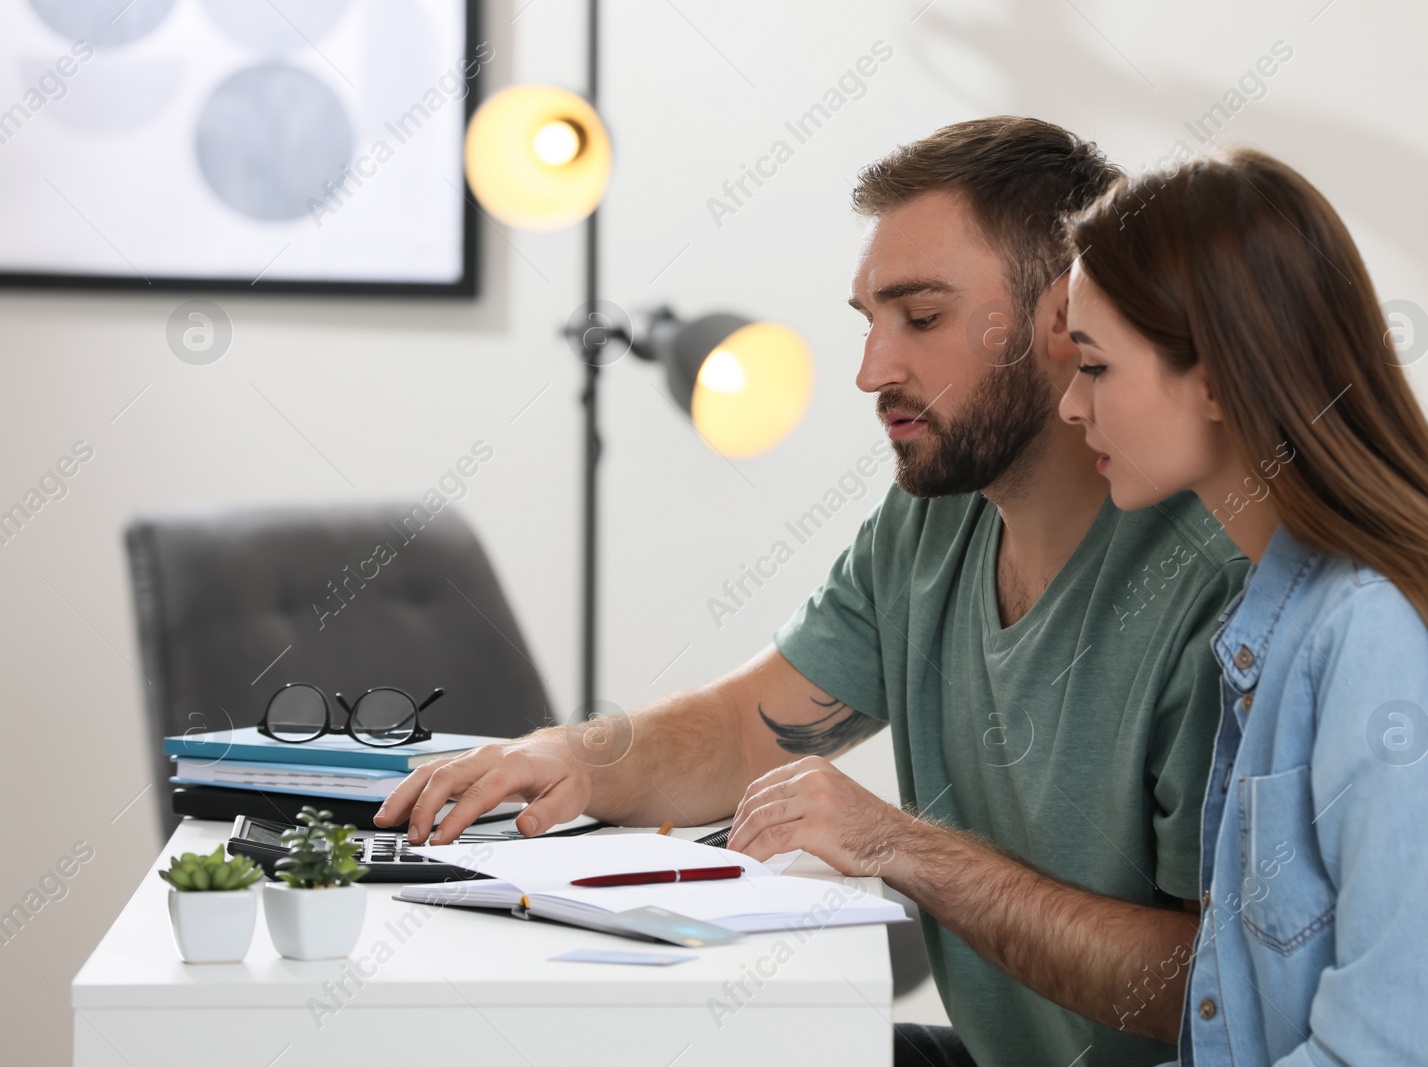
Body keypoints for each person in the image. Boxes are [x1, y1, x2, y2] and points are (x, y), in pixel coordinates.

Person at [378, 117, 1249, 1067]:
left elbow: (1204, 988)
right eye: (868, 323)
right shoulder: (934, 517)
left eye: (920, 318)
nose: (873, 371)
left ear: (1061, 320)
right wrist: (573, 756)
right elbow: (747, 725)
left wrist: (900, 845)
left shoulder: (1212, 590)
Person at [1058, 147, 1428, 1066]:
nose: (1071, 406)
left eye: (1095, 367)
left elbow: (1383, 1053)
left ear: (1220, 378)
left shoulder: (1386, 636)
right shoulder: (1304, 616)